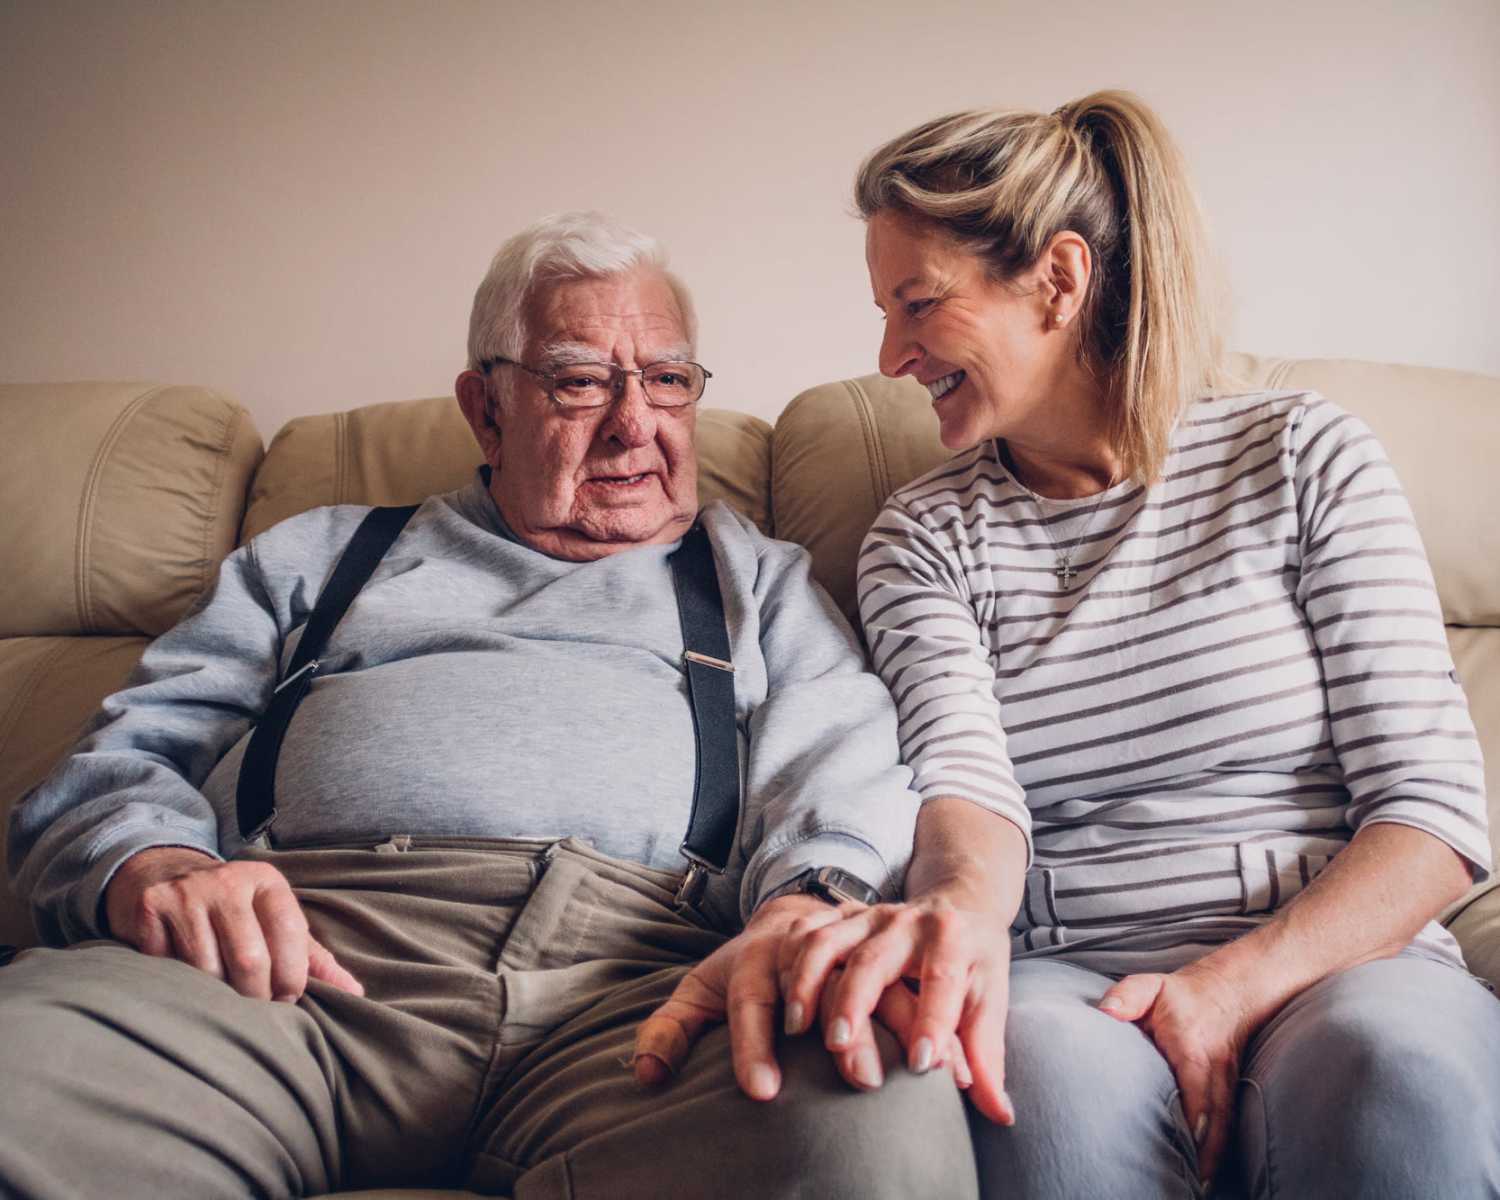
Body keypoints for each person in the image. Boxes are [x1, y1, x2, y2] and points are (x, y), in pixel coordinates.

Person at [1, 212, 977, 1199]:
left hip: (643, 999)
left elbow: (841, 765)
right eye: (581, 379)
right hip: (277, 973)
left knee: (870, 1108)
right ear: (486, 407)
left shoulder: (757, 582)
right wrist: (159, 862)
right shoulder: (319, 554)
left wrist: (805, 907)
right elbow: (120, 757)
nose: (635, 424)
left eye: (669, 380)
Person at [736, 93, 1500, 1198]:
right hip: (1068, 973)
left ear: (1058, 277)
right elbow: (968, 797)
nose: (892, 354)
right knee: (1037, 1098)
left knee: (1396, 1081)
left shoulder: (1301, 455)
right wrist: (954, 911)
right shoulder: (923, 538)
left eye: (918, 305)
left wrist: (1233, 986)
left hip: (1337, 959)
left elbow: (1432, 815)